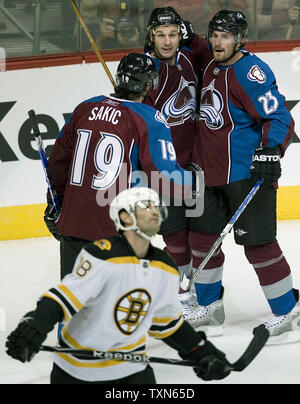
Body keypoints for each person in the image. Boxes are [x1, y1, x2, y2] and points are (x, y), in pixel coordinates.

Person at [5, 187, 231, 384]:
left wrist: (199, 351)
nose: (154, 211)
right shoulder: (102, 255)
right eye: (145, 206)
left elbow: (166, 322)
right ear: (125, 218)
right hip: (77, 371)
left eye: (155, 206)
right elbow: (64, 297)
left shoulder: (165, 267)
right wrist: (35, 324)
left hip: (133, 371)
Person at [185, 10, 300, 343]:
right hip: (208, 175)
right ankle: (209, 307)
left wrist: (271, 150)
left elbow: (279, 117)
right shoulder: (209, 62)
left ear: (240, 39)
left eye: (225, 36)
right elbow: (190, 44)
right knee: (202, 242)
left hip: (247, 176)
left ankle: (287, 309)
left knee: (259, 246)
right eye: (214, 35)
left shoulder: (250, 71)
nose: (218, 42)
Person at [43, 52, 198, 280]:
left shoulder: (84, 108)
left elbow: (57, 163)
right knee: (116, 309)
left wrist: (54, 203)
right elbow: (165, 177)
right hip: (116, 230)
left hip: (73, 224)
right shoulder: (148, 118)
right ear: (149, 85)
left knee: (74, 305)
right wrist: (195, 182)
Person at [142, 7, 210, 302]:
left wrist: (194, 38)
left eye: (173, 34)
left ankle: (193, 289)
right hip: (163, 167)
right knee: (174, 236)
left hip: (195, 164)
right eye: (161, 35)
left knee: (199, 235)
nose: (167, 41)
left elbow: (213, 51)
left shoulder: (187, 57)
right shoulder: (145, 70)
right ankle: (175, 290)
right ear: (151, 37)